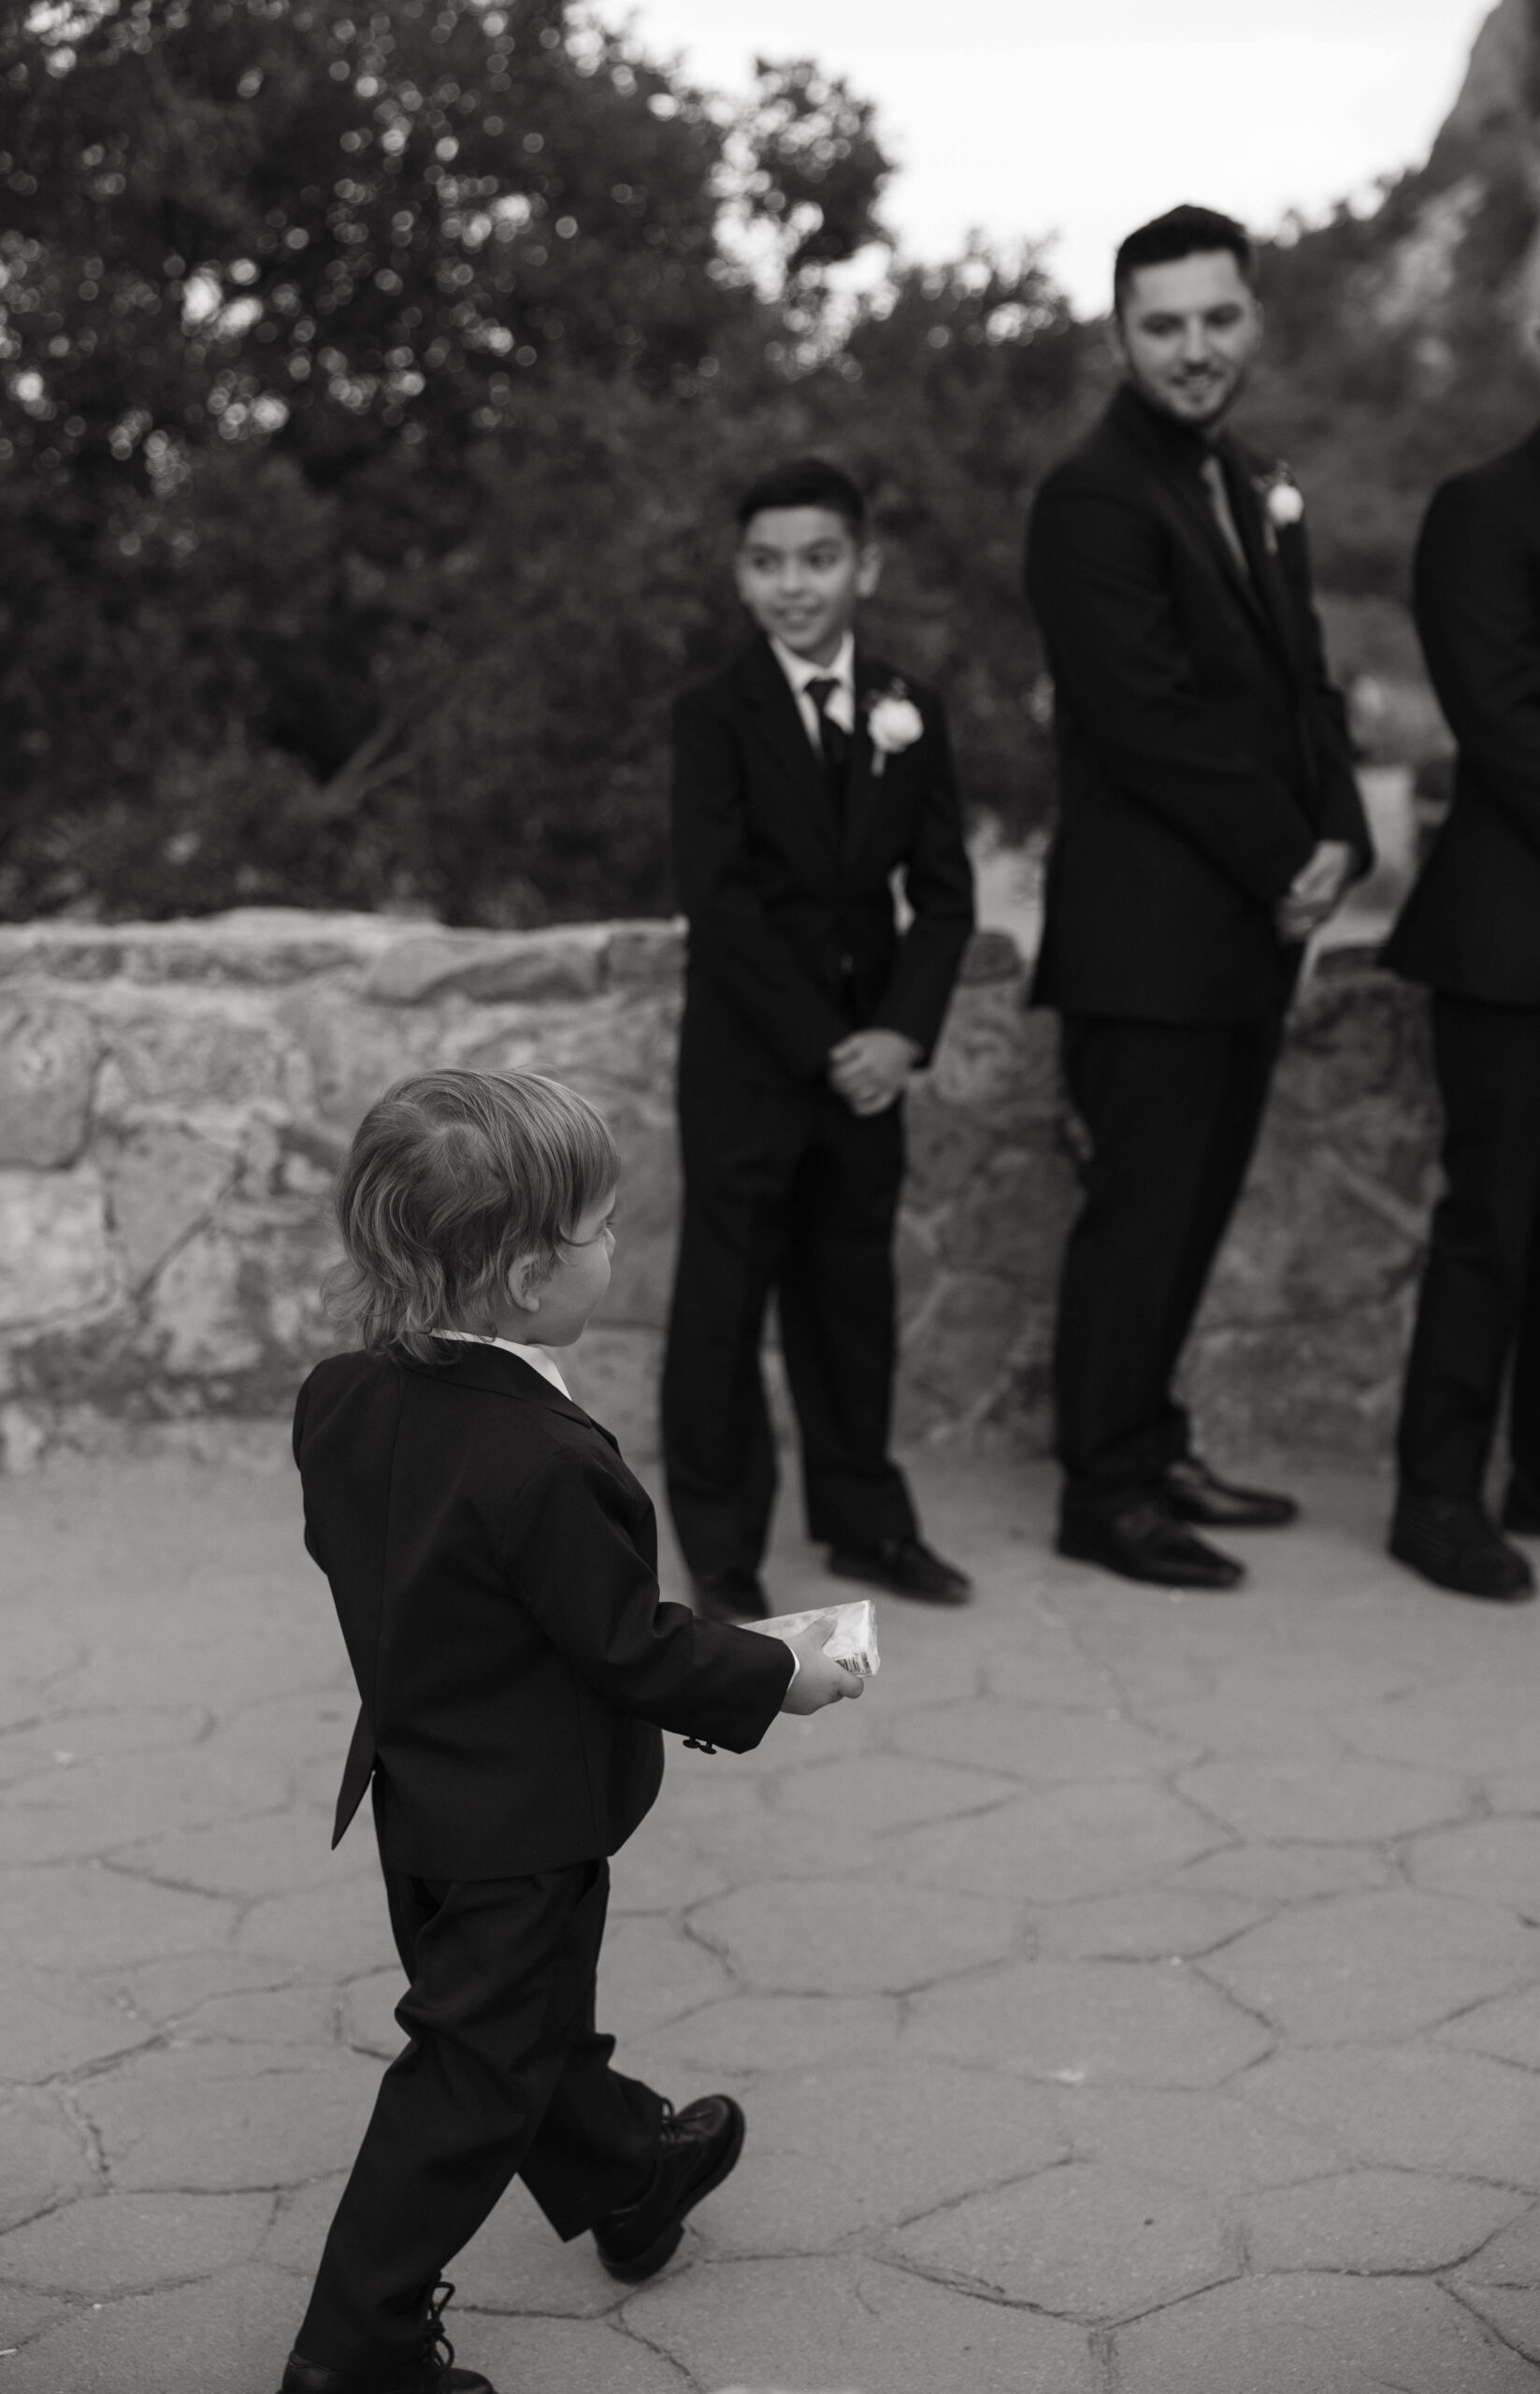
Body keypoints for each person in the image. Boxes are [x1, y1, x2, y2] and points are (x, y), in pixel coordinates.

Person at [278, 1069, 863, 2394]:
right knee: (472, 2075)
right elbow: (626, 1645)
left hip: (418, 1794)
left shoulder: (337, 1397)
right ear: (533, 1272)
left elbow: (380, 1562)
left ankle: (626, 2173)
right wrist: (780, 1672)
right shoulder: (544, 1457)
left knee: (519, 2026)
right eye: (602, 1230)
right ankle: (352, 2349)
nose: (616, 1249)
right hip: (523, 1824)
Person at [1024, 204, 1370, 1591]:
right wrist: (1285, 852)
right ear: (1120, 335)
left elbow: (1302, 683)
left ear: (1251, 322)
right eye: (1160, 326)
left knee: (1196, 1207)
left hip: (1238, 936)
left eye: (1215, 320)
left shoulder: (1247, 480)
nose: (1191, 349)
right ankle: (1099, 1493)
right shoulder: (1091, 497)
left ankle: (1152, 1442)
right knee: (1139, 1219)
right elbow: (1141, 719)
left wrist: (1339, 827)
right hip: (1143, 944)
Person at [662, 455, 975, 1622]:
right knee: (724, 1300)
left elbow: (944, 897)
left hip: (872, 1065)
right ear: (741, 578)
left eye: (817, 558)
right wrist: (824, 1043)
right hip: (751, 1056)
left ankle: (866, 1522)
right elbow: (720, 903)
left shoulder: (909, 707)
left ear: (864, 566)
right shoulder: (711, 714)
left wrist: (896, 1037)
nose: (793, 585)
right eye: (766, 563)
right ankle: (721, 1545)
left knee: (851, 1297)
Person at [1384, 243, 1540, 1603]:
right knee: (1490, 1224)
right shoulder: (1481, 507)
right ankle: (1433, 1496)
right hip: (1512, 935)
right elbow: (1505, 731)